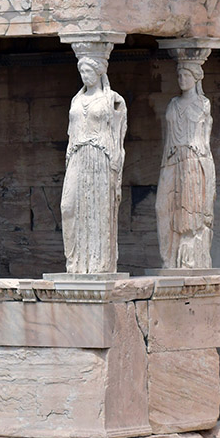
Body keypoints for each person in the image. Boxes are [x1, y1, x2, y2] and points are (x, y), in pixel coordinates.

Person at [60, 55, 127, 274]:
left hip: (100, 157)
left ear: (99, 72)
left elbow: (118, 135)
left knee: (99, 209)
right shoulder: (76, 100)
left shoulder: (113, 100)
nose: (84, 75)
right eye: (82, 72)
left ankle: (99, 264)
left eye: (88, 71)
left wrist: (116, 164)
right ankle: (76, 262)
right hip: (78, 155)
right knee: (68, 206)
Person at [156, 62, 215, 269]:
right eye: (179, 75)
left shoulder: (203, 104)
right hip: (172, 159)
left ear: (196, 78)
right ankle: (169, 258)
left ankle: (188, 260)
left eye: (186, 75)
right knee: (162, 207)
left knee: (191, 210)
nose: (182, 79)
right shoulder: (173, 104)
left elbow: (205, 136)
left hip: (193, 159)